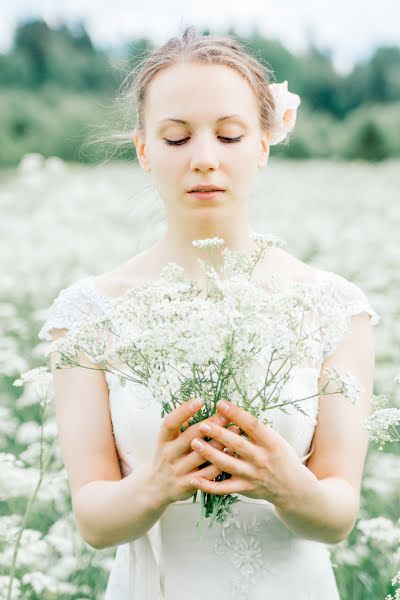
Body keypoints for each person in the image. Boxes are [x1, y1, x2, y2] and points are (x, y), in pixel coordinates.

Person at [38, 26, 380, 600]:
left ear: (264, 144)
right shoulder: (89, 313)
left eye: (229, 135)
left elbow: (339, 515)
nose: (203, 160)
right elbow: (94, 521)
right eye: (176, 139)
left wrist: (282, 482)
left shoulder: (333, 307)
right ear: (144, 150)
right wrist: (157, 483)